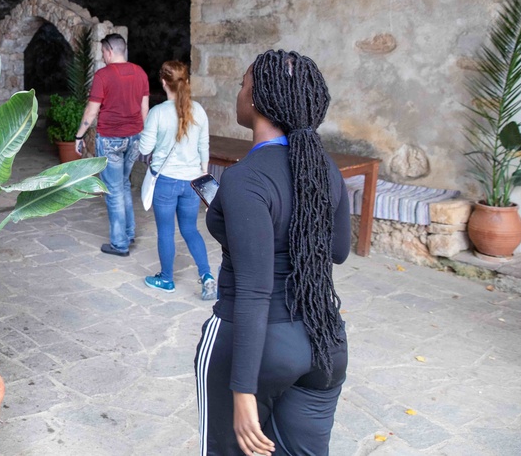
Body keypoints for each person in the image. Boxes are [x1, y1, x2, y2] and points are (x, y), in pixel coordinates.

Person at [195, 50, 350, 456]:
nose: (239, 90)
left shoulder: (246, 178)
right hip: (324, 342)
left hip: (259, 350)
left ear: (259, 98)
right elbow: (338, 251)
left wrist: (242, 390)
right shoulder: (325, 169)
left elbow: (254, 290)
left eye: (244, 82)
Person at [138, 61, 216, 300]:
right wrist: (202, 174)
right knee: (190, 229)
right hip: (192, 181)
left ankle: (166, 279)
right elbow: (204, 147)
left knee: (165, 230)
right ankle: (207, 277)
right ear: (187, 82)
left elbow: (145, 148)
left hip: (166, 181)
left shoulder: (158, 112)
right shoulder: (199, 110)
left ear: (163, 83)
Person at [75, 33, 149, 256]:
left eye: (102, 52)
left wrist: (79, 136)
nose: (102, 56)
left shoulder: (103, 75)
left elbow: (92, 110)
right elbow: (144, 108)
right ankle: (129, 232)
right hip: (133, 137)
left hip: (111, 139)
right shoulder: (140, 72)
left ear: (108, 50)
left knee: (114, 190)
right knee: (124, 184)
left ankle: (119, 244)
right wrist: (139, 133)